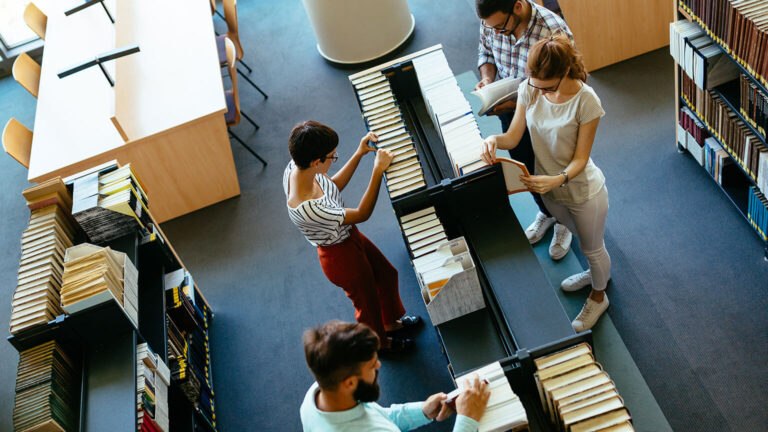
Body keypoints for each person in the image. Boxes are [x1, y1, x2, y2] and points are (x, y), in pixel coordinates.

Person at [480, 34, 610, 332]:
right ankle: (595, 273)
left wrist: (558, 179)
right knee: (582, 240)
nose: (536, 90)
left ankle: (599, 295)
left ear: (564, 73)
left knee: (593, 248)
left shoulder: (586, 100)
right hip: (546, 188)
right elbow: (512, 137)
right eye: (533, 81)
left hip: (580, 190)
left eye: (545, 84)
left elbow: (581, 159)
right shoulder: (531, 88)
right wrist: (492, 139)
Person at [283, 121, 421, 353]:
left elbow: (332, 186)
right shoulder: (308, 207)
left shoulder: (299, 167)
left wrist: (359, 153)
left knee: (387, 274)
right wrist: (377, 170)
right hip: (339, 256)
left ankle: (387, 324)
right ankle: (380, 344)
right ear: (317, 162)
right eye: (332, 156)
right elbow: (362, 213)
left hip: (348, 237)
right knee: (367, 305)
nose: (334, 157)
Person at [475, 0, 574, 260]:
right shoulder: (492, 19)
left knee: (552, 167)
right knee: (524, 165)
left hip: (548, 117)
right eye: (490, 27)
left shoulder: (553, 33)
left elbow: (566, 88)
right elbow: (485, 52)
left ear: (517, 6)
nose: (495, 32)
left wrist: (520, 102)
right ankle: (548, 212)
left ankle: (565, 222)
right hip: (510, 108)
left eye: (500, 26)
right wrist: (487, 80)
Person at [300, 320, 490, 431]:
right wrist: (467, 418)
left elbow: (378, 416)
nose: (379, 365)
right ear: (349, 382)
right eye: (372, 365)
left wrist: (423, 411)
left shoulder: (317, 395)